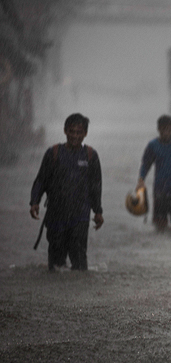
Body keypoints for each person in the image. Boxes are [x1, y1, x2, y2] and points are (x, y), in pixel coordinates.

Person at [30, 113, 103, 271]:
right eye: (72, 131)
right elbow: (41, 180)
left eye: (79, 132)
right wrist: (34, 201)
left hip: (80, 218)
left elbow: (96, 187)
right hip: (56, 217)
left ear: (85, 134)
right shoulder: (54, 153)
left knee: (79, 265)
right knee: (56, 266)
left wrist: (98, 212)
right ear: (65, 131)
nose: (75, 136)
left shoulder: (90, 156)